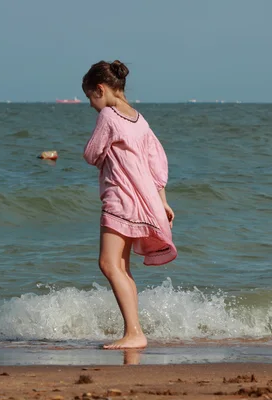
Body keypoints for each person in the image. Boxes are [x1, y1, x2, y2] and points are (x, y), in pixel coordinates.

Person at [82, 60, 177, 349]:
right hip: (142, 200)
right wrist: (162, 200)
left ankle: (134, 332)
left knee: (108, 264)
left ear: (100, 89)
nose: (91, 105)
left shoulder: (108, 117)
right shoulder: (140, 119)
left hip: (120, 198)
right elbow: (156, 163)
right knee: (122, 267)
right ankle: (133, 331)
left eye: (90, 98)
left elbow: (91, 153)